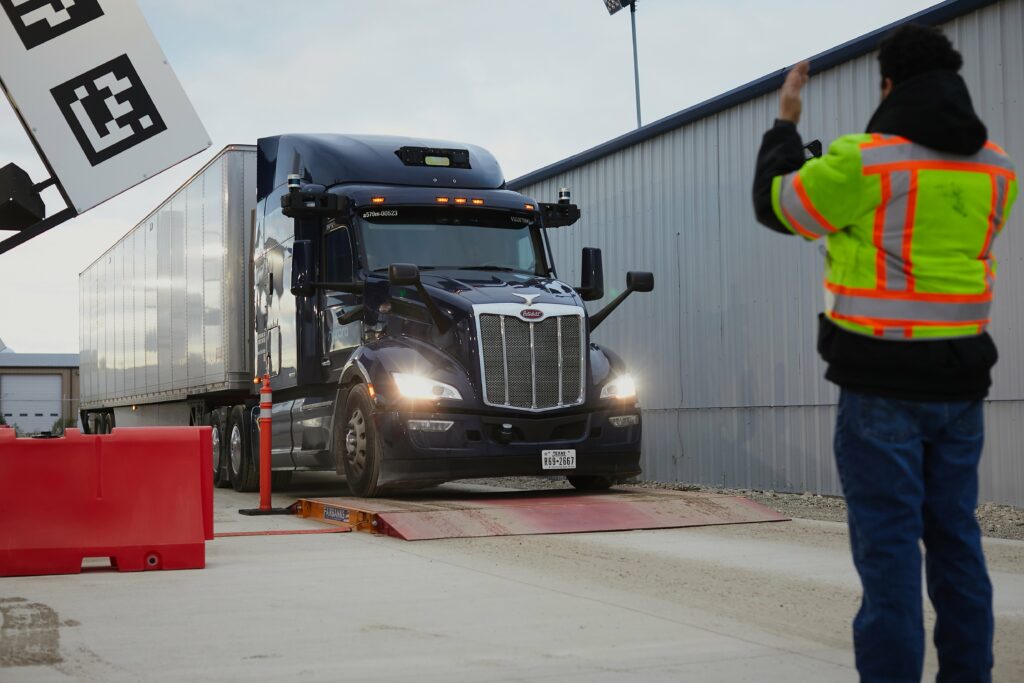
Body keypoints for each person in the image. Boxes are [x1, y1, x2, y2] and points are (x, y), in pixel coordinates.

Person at [751, 24, 1017, 683]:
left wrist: (786, 129)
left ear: (889, 85)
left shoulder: (867, 160)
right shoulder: (999, 170)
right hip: (960, 391)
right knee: (957, 542)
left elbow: (778, 205)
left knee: (890, 552)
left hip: (881, 393)